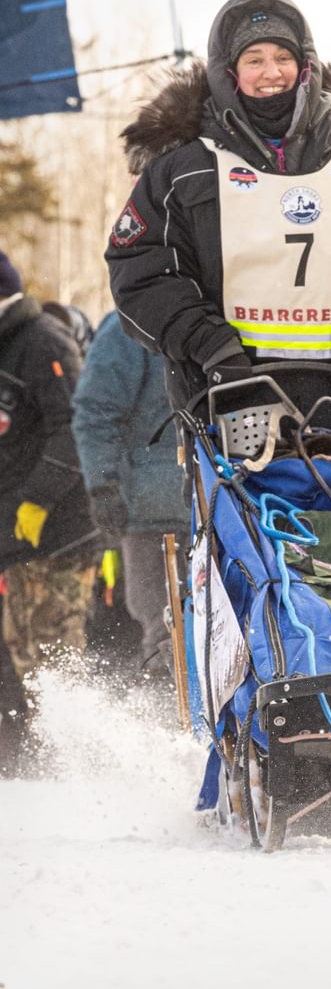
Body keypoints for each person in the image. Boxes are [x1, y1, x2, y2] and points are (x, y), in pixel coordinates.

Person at [106, 0, 331, 444]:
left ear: (305, 64)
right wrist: (209, 346)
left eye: (283, 57)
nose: (271, 72)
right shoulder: (185, 168)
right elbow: (141, 270)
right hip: (232, 396)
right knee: (246, 519)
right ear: (229, 72)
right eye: (253, 59)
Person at [0, 252, 99, 731]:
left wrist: (39, 497)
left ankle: (76, 756)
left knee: (55, 650)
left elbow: (76, 429)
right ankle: (43, 758)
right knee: (22, 648)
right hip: (13, 531)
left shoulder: (43, 341)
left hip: (61, 528)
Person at [71, 310, 189, 676]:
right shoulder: (129, 326)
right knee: (164, 624)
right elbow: (96, 411)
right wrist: (104, 484)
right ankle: (165, 721)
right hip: (156, 507)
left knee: (200, 626)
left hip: (214, 500)